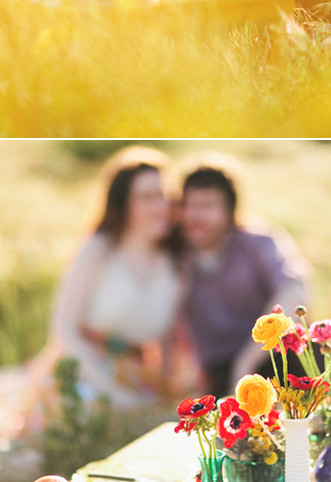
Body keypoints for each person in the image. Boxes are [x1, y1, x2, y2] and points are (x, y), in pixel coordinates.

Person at [39, 147, 186, 409]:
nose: (161, 206)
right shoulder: (99, 248)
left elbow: (166, 340)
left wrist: (163, 388)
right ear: (124, 203)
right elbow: (63, 329)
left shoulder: (175, 262)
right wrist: (110, 391)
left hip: (139, 377)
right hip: (83, 367)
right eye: (147, 197)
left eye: (165, 197)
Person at [179, 163, 311, 400]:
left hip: (275, 357)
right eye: (188, 205)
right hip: (219, 373)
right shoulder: (175, 254)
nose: (194, 216)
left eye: (207, 206)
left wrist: (247, 360)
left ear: (229, 212)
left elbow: (294, 288)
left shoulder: (258, 242)